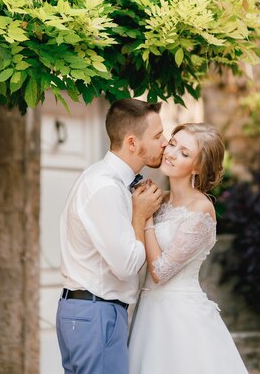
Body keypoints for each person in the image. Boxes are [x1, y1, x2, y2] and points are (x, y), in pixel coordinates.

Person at [56, 98, 167, 374]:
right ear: (132, 143)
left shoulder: (109, 181)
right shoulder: (105, 187)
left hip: (92, 312)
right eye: (157, 136)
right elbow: (127, 265)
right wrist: (140, 217)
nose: (164, 142)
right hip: (97, 313)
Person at [128, 122, 250, 374]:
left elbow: (160, 272)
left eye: (184, 153)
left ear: (198, 166)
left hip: (179, 318)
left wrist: (146, 217)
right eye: (172, 143)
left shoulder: (201, 209)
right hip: (148, 311)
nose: (171, 154)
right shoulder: (159, 199)